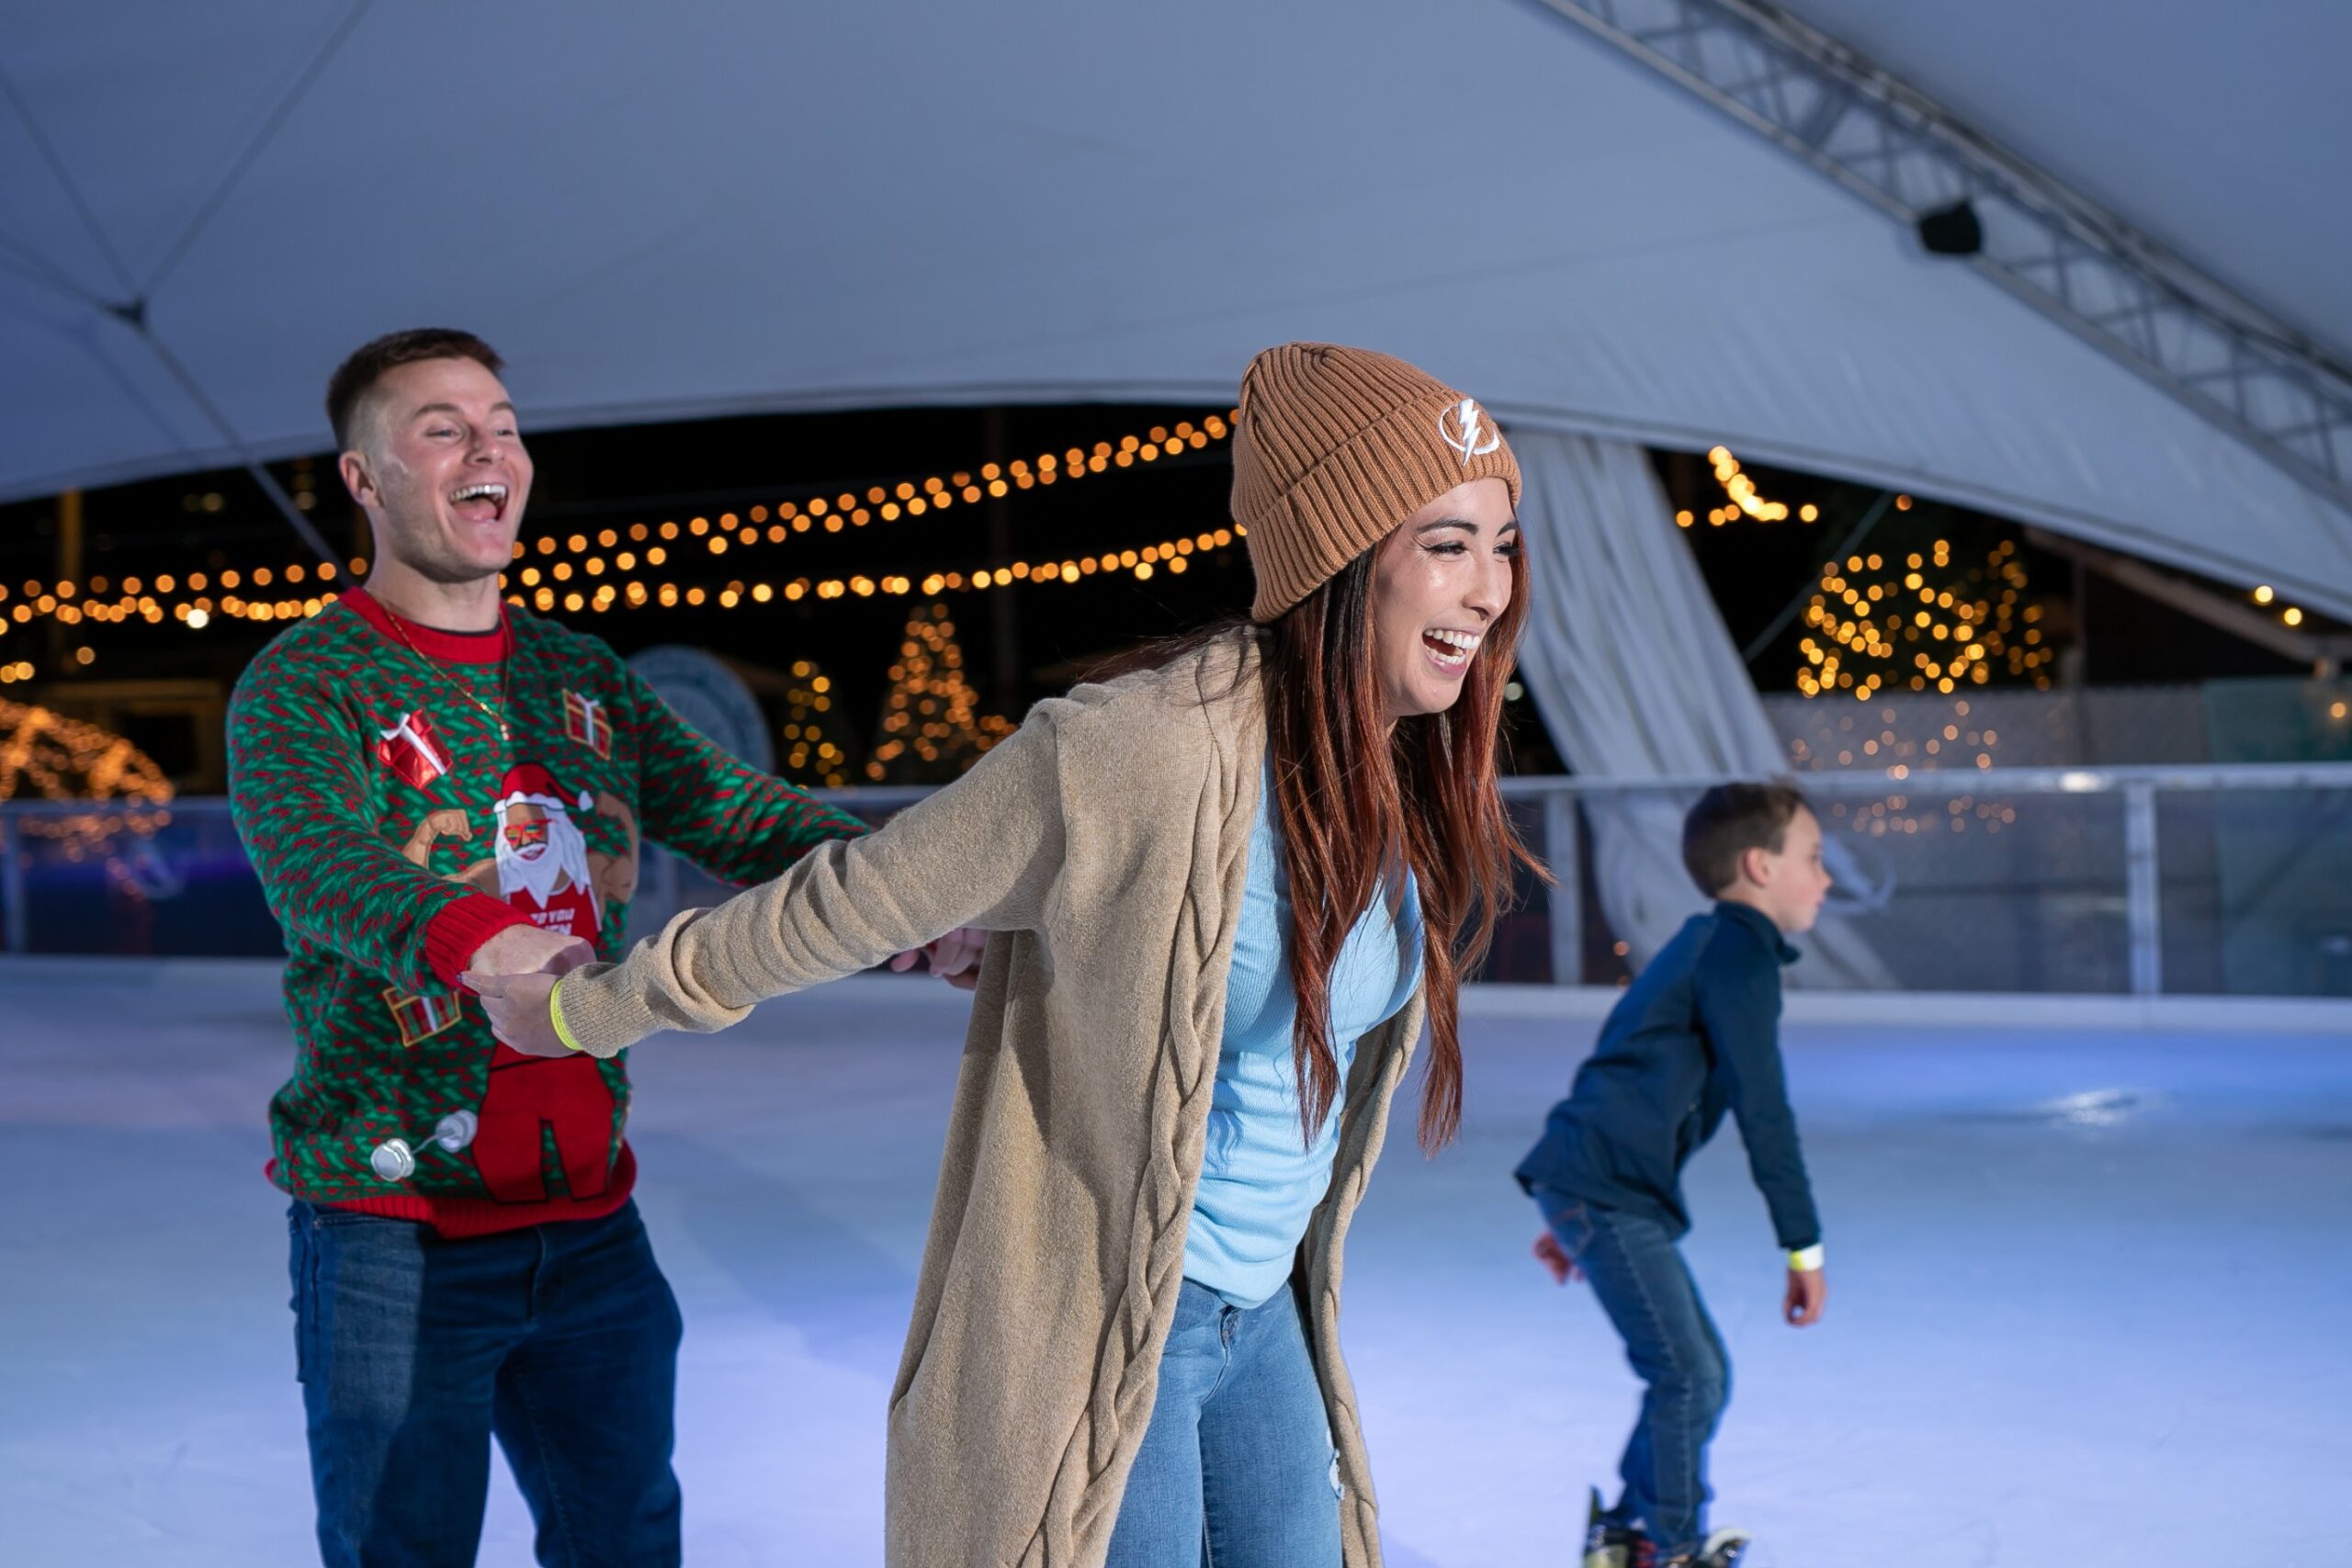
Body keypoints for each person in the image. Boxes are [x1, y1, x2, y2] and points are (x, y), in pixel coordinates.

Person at [473, 342, 1538, 1567]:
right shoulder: (1134, 750)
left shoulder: (1397, 763)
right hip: (1108, 1321)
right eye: (1448, 544)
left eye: (1500, 544)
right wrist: (579, 1010)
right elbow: (837, 902)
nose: (1489, 590)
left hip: (1272, 1310)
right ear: (1336, 554)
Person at [224, 328, 949, 1566]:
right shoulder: (307, 680)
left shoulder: (581, 676)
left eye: (501, 422)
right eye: (442, 425)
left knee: (624, 1538)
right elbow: (317, 862)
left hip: (589, 1223)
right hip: (394, 1231)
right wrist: (475, 935)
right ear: (363, 479)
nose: (487, 445)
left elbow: (734, 808)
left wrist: (908, 895)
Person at [1513, 783, 1833, 1568]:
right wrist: (1804, 1246)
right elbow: (1765, 1110)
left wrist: (1570, 1205)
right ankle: (1669, 1547)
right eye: (1815, 859)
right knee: (1688, 1373)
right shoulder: (1736, 954)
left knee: (1699, 1372)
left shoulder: (1704, 944)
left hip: (1601, 1186)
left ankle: (1629, 1531)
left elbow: (1625, 1060)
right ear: (1760, 865)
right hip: (1604, 1188)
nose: (1826, 879)